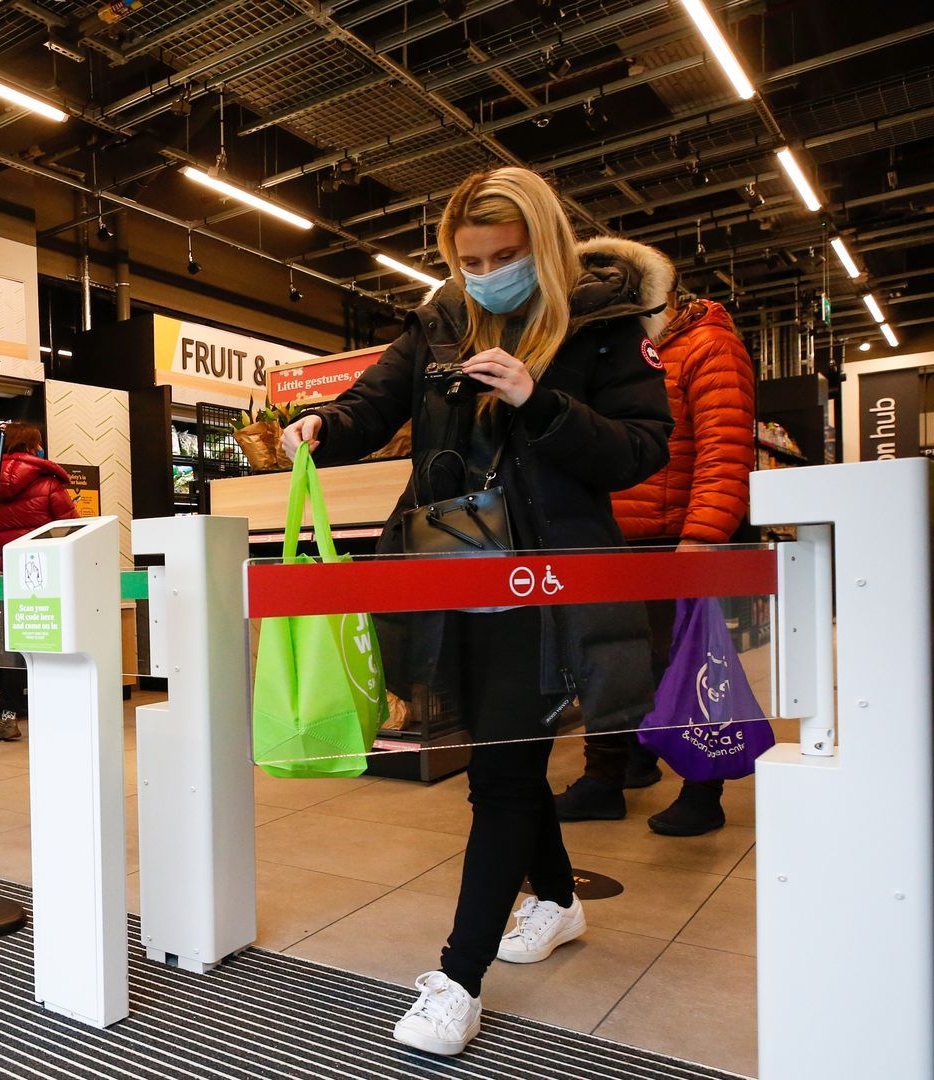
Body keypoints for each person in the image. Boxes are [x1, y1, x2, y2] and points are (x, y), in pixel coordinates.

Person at [283, 167, 671, 1057]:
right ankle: (561, 901)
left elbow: (641, 450)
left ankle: (457, 979)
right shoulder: (441, 320)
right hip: (448, 571)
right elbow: (371, 404)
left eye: (504, 255)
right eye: (468, 258)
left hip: (543, 582)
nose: (485, 271)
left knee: (498, 773)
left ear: (544, 241)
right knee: (505, 753)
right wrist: (322, 428)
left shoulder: (605, 325)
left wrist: (541, 401)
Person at [555, 274, 756, 837]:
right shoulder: (610, 349)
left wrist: (705, 538)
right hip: (608, 534)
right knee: (608, 661)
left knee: (688, 664)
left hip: (674, 537)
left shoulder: (707, 343)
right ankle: (612, 775)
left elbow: (726, 447)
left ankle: (703, 787)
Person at [0, 421, 78, 742]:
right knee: (54, 646)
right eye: (37, 444)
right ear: (31, 446)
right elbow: (75, 532)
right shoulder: (49, 484)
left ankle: (7, 717)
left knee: (15, 649)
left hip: (14, 579)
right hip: (52, 580)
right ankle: (59, 715)